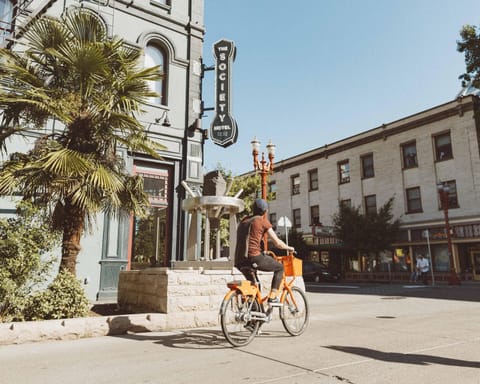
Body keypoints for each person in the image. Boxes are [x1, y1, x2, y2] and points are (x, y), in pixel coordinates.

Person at [235, 198, 295, 306]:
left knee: (254, 287)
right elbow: (278, 243)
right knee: (280, 268)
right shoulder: (262, 221)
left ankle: (254, 319)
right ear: (265, 211)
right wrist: (289, 248)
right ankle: (272, 297)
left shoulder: (244, 220)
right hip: (253, 257)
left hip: (240, 260)